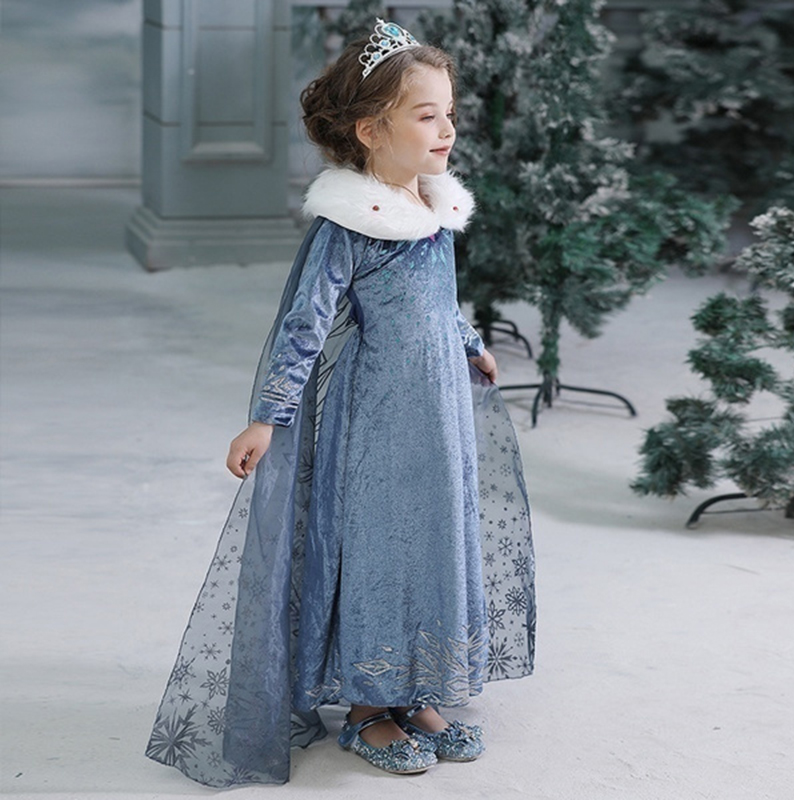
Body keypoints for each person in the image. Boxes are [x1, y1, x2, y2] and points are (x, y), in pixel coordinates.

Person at [146, 18, 536, 787]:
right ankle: (367, 705)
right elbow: (305, 324)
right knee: (380, 546)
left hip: (439, 416)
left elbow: (440, 300)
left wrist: (469, 343)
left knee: (433, 539)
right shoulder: (351, 223)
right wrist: (267, 416)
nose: (448, 129)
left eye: (450, 113)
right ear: (370, 129)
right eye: (426, 115)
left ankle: (418, 688)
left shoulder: (431, 207)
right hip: (378, 420)